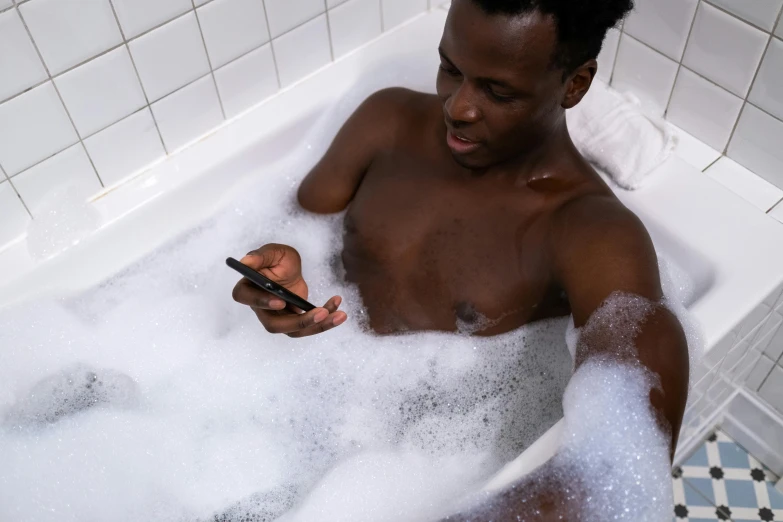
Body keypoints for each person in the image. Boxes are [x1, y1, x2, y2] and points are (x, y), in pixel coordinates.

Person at [232, 0, 689, 518]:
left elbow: (622, 434)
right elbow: (296, 227)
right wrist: (285, 270)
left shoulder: (590, 230)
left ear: (575, 85)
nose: (458, 107)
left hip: (414, 470)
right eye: (450, 68)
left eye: (497, 91)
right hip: (282, 414)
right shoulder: (386, 121)